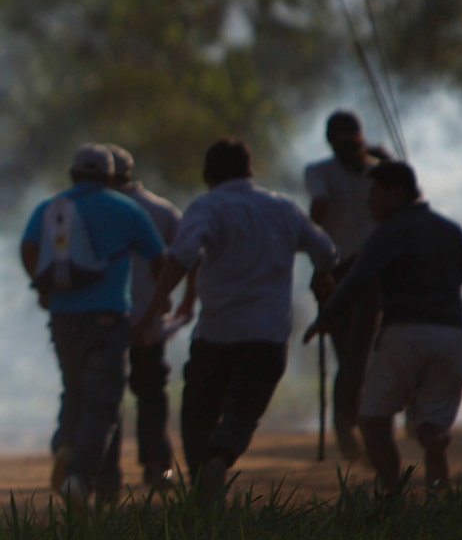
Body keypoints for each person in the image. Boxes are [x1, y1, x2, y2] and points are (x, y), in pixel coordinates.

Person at [138, 139, 335, 505]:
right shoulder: (283, 208)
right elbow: (325, 249)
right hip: (269, 332)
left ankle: (202, 485)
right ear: (249, 171)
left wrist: (151, 312)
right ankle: (221, 458)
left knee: (198, 409)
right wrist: (322, 275)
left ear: (207, 176)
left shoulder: (207, 206)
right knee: (244, 410)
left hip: (217, 331)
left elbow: (182, 257)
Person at [309, 162, 462, 494]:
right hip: (451, 337)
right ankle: (437, 479)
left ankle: (392, 491)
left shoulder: (389, 232)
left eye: (375, 193)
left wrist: (327, 316)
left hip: (403, 335)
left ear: (396, 194)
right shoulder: (449, 230)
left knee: (373, 420)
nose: (370, 202)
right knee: (430, 425)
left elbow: (358, 280)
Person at [19, 145, 164, 507]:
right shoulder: (126, 208)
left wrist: (42, 287)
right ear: (110, 177)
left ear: (72, 174)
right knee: (104, 404)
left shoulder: (50, 207)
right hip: (107, 317)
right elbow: (158, 256)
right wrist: (160, 302)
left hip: (63, 317)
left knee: (74, 390)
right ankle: (79, 477)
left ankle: (66, 444)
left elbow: (27, 247)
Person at [303, 110, 390, 461]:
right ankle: (351, 422)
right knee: (358, 351)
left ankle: (350, 422)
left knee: (357, 351)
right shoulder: (370, 169)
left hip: (353, 269)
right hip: (351, 269)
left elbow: (320, 206)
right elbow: (321, 205)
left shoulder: (368, 169)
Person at [106, 145, 193, 489]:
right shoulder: (160, 209)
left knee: (107, 392)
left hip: (108, 315)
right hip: (149, 313)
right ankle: (156, 464)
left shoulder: (94, 209)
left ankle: (105, 472)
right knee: (151, 390)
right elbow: (190, 254)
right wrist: (184, 297)